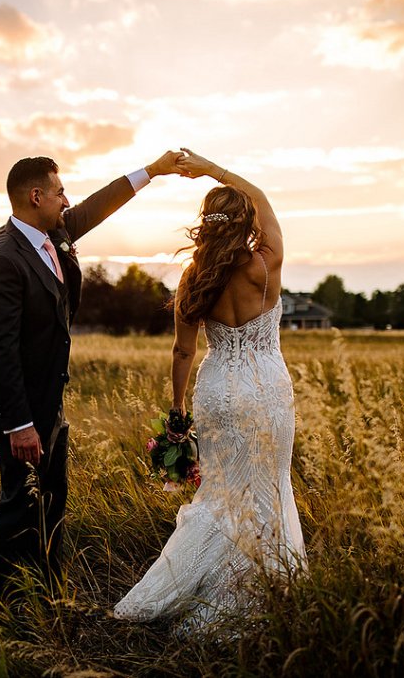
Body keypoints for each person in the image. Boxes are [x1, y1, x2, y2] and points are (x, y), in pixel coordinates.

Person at [114, 148, 307, 631]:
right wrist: (211, 168)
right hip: (265, 390)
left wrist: (178, 409)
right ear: (247, 223)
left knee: (219, 495)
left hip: (218, 390)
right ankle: (259, 589)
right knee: (267, 488)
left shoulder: (193, 277)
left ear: (207, 224)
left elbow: (183, 352)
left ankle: (181, 586)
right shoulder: (266, 264)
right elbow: (263, 199)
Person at [0, 152, 184, 600]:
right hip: (22, 412)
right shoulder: (3, 259)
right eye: (59, 192)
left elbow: (97, 205)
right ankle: (7, 606)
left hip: (49, 403)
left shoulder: (51, 233)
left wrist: (154, 169)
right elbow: (0, 350)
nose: (67, 200)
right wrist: (20, 424)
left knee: (51, 504)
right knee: (19, 509)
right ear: (36, 197)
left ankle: (50, 593)